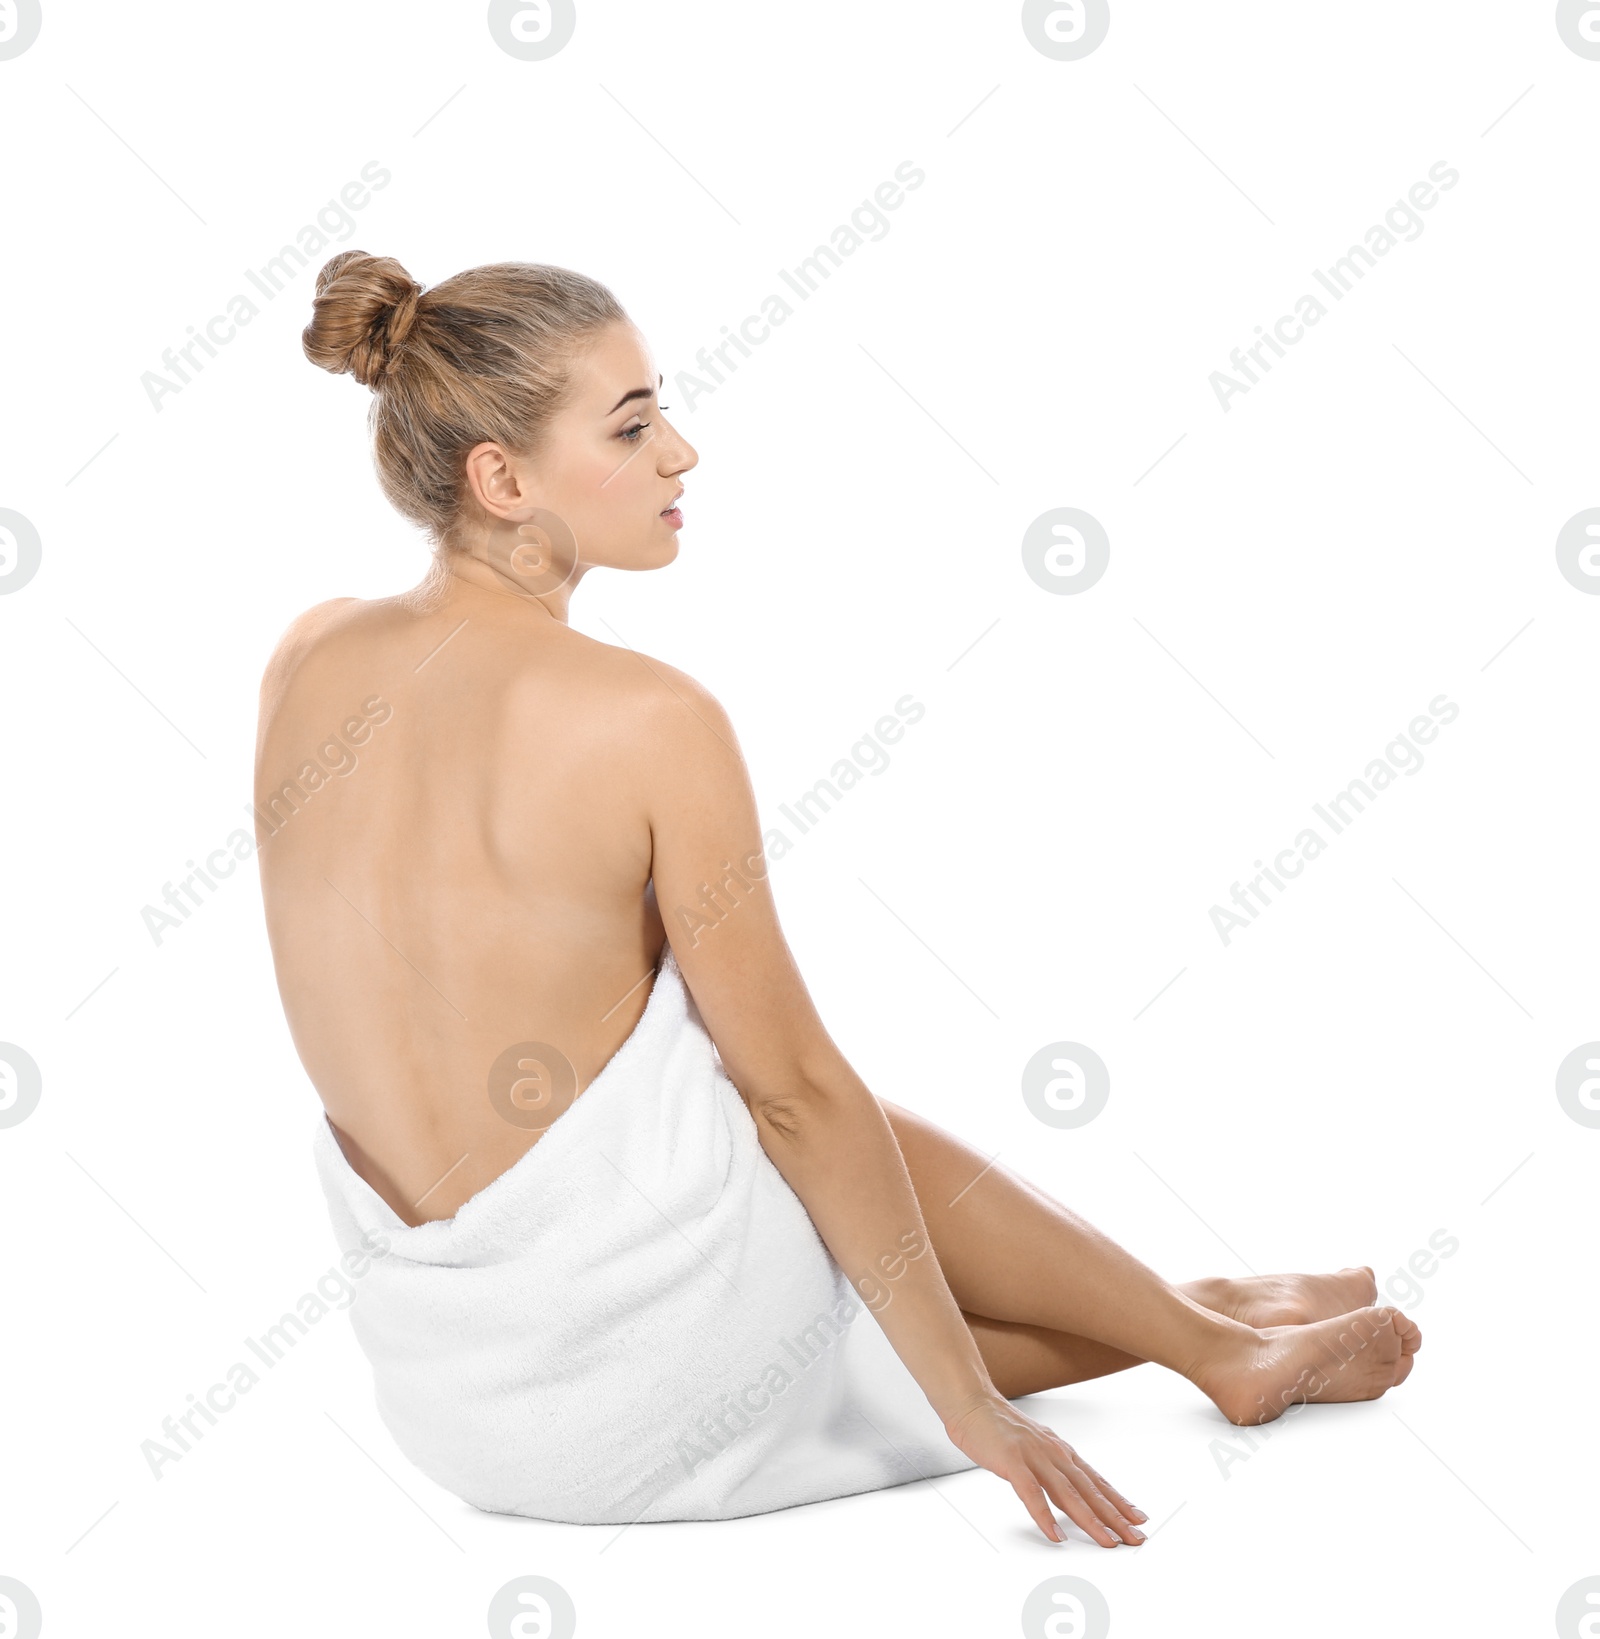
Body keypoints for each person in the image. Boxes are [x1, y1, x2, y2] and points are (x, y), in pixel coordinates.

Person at [254, 251, 1421, 1545]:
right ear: (502, 480)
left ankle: (1203, 1313)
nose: (681, 454)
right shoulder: (649, 719)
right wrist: (972, 1411)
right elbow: (796, 1101)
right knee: (784, 1092)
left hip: (458, 1399)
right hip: (648, 1381)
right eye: (633, 427)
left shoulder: (309, 655)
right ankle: (1204, 1338)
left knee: (690, 1094)